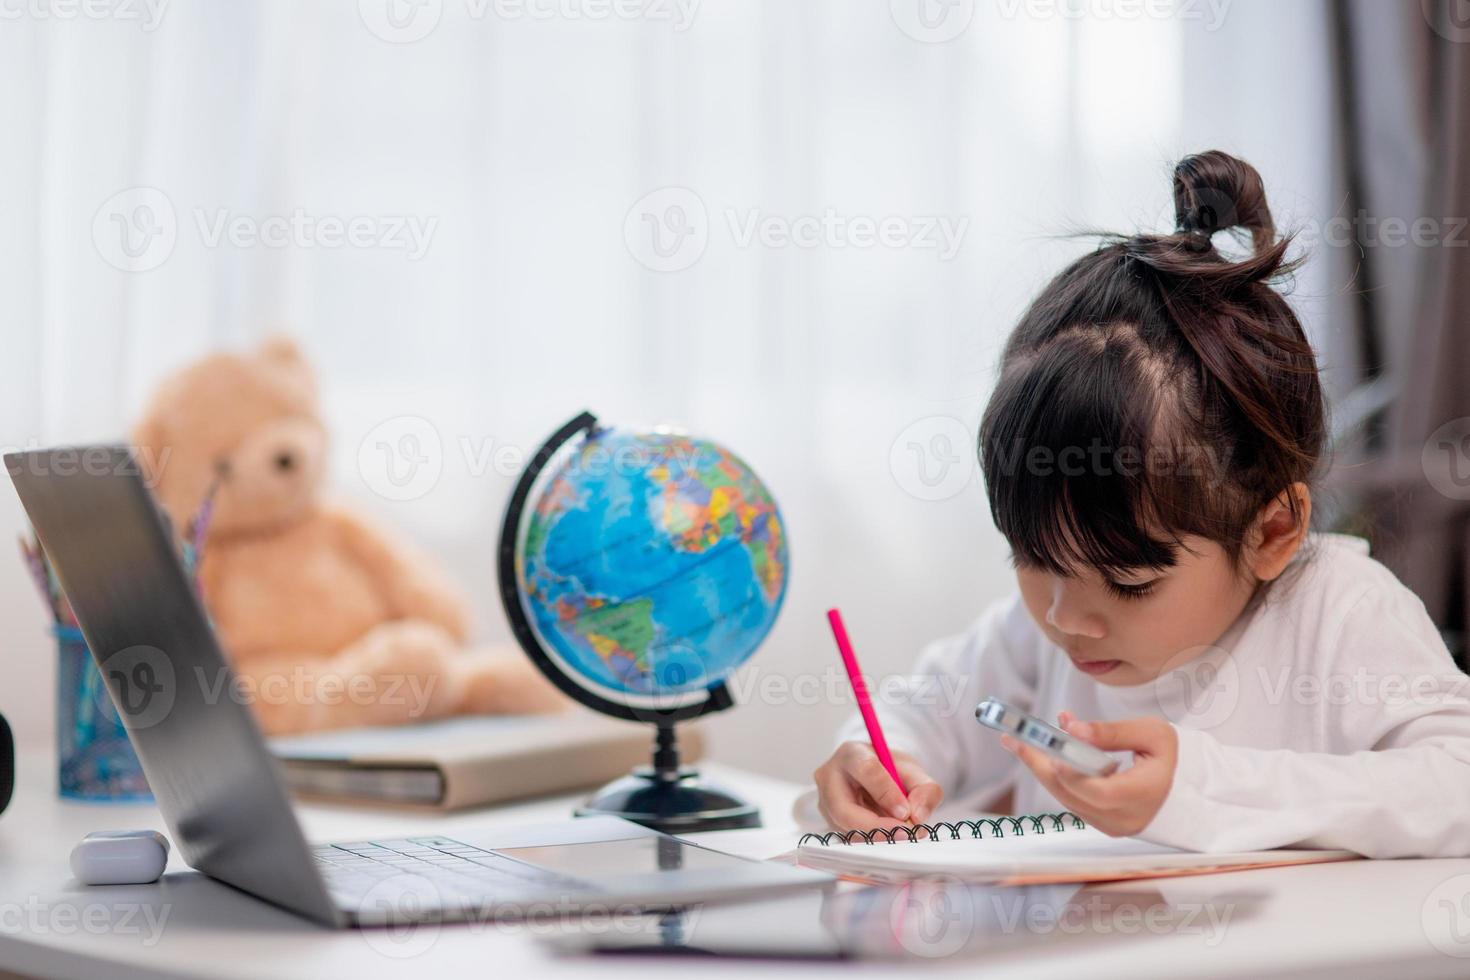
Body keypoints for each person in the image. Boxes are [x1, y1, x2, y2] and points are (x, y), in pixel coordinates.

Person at [811, 151, 1470, 858]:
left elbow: (1454, 785)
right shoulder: (1045, 629)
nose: (1066, 617)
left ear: (1272, 530)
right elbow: (924, 710)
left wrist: (1203, 785)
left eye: (1130, 584)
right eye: (1032, 557)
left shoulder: (1338, 612)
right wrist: (877, 761)